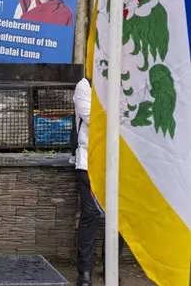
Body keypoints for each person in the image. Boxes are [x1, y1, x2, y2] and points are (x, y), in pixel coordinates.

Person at [73, 76, 125, 286]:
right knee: (91, 215)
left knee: (117, 216)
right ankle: (85, 271)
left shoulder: (124, 84)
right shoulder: (85, 85)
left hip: (120, 162)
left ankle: (110, 266)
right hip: (89, 161)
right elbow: (94, 119)